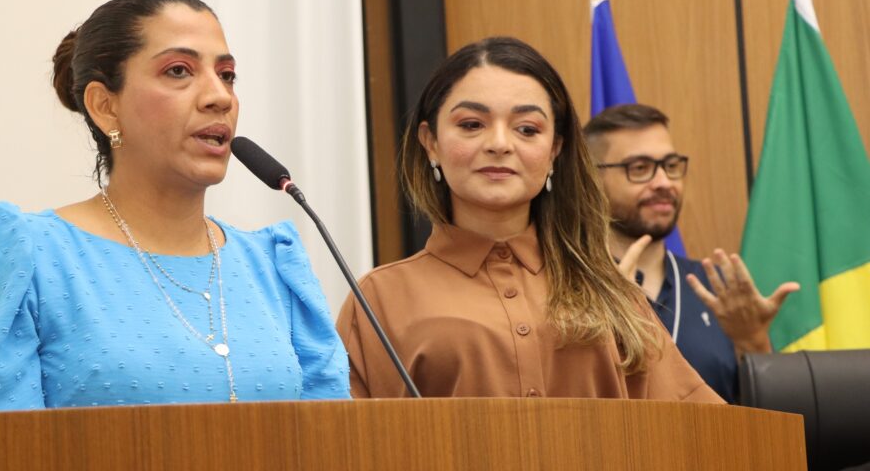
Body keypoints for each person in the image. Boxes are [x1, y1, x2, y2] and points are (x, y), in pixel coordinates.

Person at [0, 0, 348, 413]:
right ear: (105, 107)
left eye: (227, 74)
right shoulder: (27, 259)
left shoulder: (272, 267)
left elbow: (329, 449)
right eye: (179, 71)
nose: (220, 96)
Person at [336, 37, 721, 402]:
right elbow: (350, 450)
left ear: (555, 149)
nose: (500, 144)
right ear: (431, 142)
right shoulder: (378, 300)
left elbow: (696, 430)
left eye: (527, 129)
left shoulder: (611, 291)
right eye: (472, 124)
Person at [584, 104, 799, 402]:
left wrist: (753, 342)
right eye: (640, 169)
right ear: (591, 180)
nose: (664, 183)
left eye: (671, 165)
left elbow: (775, 421)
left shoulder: (718, 292)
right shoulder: (573, 292)